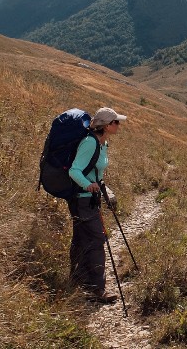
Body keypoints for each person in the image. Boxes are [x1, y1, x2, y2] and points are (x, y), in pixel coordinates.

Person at [66, 106, 126, 303]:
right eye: (116, 122)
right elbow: (74, 171)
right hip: (83, 199)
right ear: (107, 125)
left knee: (82, 238)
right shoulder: (90, 143)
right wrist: (88, 185)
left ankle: (78, 279)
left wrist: (102, 189)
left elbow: (95, 172)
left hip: (87, 198)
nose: (119, 125)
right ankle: (97, 289)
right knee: (98, 240)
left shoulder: (102, 143)